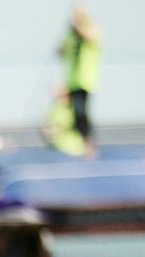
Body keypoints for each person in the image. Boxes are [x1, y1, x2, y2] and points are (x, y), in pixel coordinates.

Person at [57, 3, 100, 153]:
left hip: (85, 80)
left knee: (82, 112)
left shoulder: (90, 28)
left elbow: (90, 37)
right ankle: (78, 143)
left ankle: (88, 142)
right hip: (72, 80)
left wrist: (77, 27)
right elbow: (61, 51)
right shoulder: (71, 35)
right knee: (73, 113)